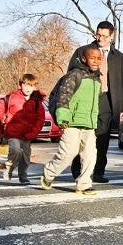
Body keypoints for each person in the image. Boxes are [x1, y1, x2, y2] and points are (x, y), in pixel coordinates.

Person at [68, 21, 123, 183]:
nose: (100, 38)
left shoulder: (119, 57)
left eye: (104, 36)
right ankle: (78, 171)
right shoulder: (83, 51)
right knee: (83, 136)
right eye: (98, 34)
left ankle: (98, 172)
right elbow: (71, 75)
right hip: (87, 99)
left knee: (102, 139)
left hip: (107, 100)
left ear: (112, 36)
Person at [40, 47, 102, 195]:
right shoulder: (74, 75)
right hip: (71, 123)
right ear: (84, 59)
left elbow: (96, 103)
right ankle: (48, 174)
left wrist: (96, 120)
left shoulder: (97, 79)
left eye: (99, 58)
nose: (96, 61)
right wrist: (62, 118)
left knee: (90, 155)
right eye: (92, 58)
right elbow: (63, 96)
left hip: (88, 124)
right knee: (68, 153)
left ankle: (84, 184)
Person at [0, 73, 46, 185]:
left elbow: (40, 120)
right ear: (20, 85)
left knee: (25, 157)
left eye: (30, 86)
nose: (27, 88)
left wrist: (33, 134)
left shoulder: (37, 103)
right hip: (13, 132)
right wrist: (2, 117)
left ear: (35, 87)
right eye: (25, 85)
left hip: (27, 135)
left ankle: (23, 176)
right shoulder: (11, 97)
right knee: (15, 150)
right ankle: (9, 168)